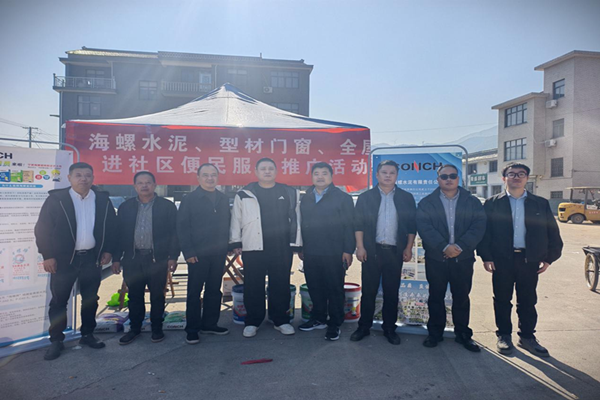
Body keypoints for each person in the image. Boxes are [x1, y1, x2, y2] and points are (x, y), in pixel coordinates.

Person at [477, 162, 563, 357]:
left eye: (521, 174)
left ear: (526, 178)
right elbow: (484, 233)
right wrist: (486, 256)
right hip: (502, 260)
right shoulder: (492, 203)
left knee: (527, 300)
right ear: (504, 178)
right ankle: (503, 335)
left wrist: (549, 258)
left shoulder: (539, 203)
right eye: (512, 174)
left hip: (529, 259)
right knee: (502, 299)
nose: (516, 177)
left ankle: (527, 337)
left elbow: (552, 231)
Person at [34, 162, 117, 360]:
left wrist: (108, 250)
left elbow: (112, 227)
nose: (83, 179)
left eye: (87, 175)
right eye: (78, 175)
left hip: (91, 258)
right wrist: (48, 255)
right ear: (69, 178)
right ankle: (56, 340)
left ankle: (87, 334)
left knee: (90, 299)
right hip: (63, 260)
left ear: (93, 178)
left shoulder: (102, 199)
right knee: (59, 301)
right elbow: (43, 229)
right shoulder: (57, 200)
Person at [416, 164, 486, 352]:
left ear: (458, 178)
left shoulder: (472, 202)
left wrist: (460, 247)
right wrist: (444, 247)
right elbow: (425, 228)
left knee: (461, 297)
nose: (448, 179)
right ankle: (435, 333)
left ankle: (463, 334)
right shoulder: (427, 203)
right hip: (436, 258)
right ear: (438, 179)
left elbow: (479, 226)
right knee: (436, 296)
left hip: (463, 259)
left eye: (452, 176)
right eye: (444, 176)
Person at [230, 158, 302, 338]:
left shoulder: (288, 192)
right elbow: (236, 219)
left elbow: (296, 218)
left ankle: (280, 320)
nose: (267, 171)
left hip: (281, 246)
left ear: (276, 171)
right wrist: (236, 242)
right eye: (263, 168)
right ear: (256, 171)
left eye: (270, 168)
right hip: (252, 246)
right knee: (253, 285)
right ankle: (252, 322)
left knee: (280, 284)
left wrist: (296, 243)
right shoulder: (244, 193)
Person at [351, 160, 416, 345]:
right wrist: (360, 247)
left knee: (391, 292)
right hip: (372, 251)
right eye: (384, 172)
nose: (388, 176)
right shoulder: (366, 197)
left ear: (397, 176)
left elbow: (411, 226)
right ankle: (363, 327)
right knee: (369, 291)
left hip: (395, 252)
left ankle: (389, 328)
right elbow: (358, 224)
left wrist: (408, 247)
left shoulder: (406, 197)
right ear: (377, 175)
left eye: (392, 173)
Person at [111, 171, 179, 345]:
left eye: (148, 182)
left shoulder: (166, 206)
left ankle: (157, 328)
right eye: (140, 183)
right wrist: (116, 258)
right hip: (132, 259)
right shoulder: (126, 207)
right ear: (135, 186)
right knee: (135, 295)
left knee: (157, 295)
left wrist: (173, 256)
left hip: (157, 259)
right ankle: (135, 328)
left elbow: (174, 233)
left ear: (154, 185)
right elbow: (117, 235)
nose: (144, 186)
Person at [298, 162, 356, 341]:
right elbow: (301, 224)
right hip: (311, 251)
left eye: (324, 173)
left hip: (334, 251)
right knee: (315, 287)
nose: (320, 177)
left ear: (331, 176)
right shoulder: (306, 198)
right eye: (316, 173)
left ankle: (335, 323)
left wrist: (348, 250)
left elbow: (349, 226)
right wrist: (301, 247)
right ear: (312, 177)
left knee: (334, 288)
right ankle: (319, 318)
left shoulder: (342, 198)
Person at [177, 163, 231, 344]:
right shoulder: (190, 199)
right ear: (198, 178)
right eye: (206, 175)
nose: (210, 178)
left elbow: (227, 223)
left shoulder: (223, 198)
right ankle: (192, 328)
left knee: (214, 290)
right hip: (197, 254)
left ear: (218, 177)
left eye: (213, 175)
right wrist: (188, 251)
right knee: (194, 292)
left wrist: (229, 246)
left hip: (218, 253)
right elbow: (182, 227)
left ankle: (210, 324)